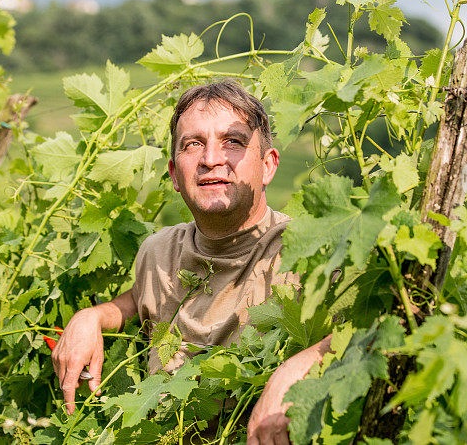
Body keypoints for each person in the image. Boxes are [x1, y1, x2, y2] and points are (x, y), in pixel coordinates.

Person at [51, 79, 332, 444]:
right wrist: (90, 316)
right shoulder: (158, 250)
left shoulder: (307, 251)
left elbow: (368, 336)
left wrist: (296, 368)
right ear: (173, 174)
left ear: (268, 164)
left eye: (233, 141)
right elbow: (136, 301)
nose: (211, 159)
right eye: (193, 144)